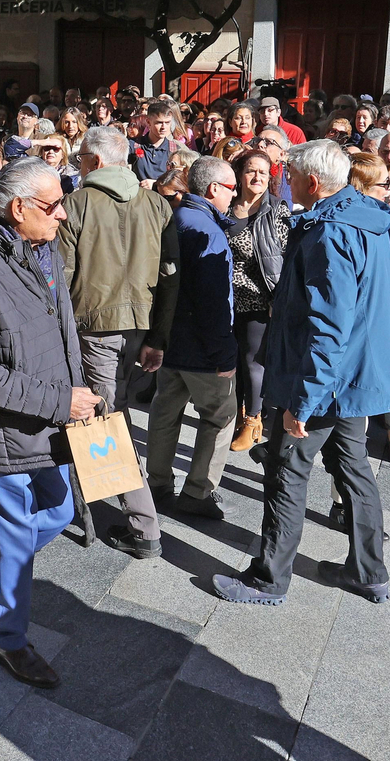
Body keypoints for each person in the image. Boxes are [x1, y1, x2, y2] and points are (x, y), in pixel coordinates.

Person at [212, 139, 390, 605]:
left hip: (325, 381)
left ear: (312, 182)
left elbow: (329, 327)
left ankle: (268, 579)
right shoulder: (362, 214)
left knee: (287, 470)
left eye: (289, 174)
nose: (284, 181)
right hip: (353, 375)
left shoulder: (330, 233)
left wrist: (303, 402)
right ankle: (368, 572)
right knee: (353, 468)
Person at [0, 159, 100, 690]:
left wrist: (80, 391)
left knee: (56, 511)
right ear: (19, 209)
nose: (63, 216)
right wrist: (62, 402)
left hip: (51, 422)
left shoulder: (44, 248)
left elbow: (63, 330)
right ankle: (6, 639)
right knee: (17, 539)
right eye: (53, 206)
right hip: (2, 433)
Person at [58, 126, 178, 558]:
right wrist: (158, 338)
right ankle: (128, 512)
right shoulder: (157, 204)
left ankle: (144, 527)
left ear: (94, 162)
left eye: (80, 160)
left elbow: (62, 280)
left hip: (96, 328)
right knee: (113, 417)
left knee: (106, 424)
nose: (77, 166)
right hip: (141, 327)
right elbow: (170, 281)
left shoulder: (76, 204)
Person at [143, 158, 240, 520]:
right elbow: (213, 303)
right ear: (213, 189)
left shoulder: (175, 219)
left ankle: (157, 484)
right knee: (219, 416)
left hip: (170, 344)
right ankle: (197, 492)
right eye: (231, 188)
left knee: (165, 412)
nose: (235, 195)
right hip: (201, 350)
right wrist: (224, 355)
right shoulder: (207, 230)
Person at [222, 149, 289, 454]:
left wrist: (280, 297)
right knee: (231, 363)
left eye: (264, 172)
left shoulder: (276, 210)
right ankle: (233, 416)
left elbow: (285, 259)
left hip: (260, 299)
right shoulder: (226, 208)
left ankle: (253, 421)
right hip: (225, 301)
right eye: (251, 170)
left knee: (252, 363)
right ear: (240, 174)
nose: (258, 177)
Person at [131, 101, 182, 184]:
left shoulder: (175, 149)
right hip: (139, 194)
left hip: (164, 195)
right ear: (148, 122)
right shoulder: (133, 145)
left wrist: (155, 184)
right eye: (159, 123)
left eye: (167, 122)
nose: (163, 127)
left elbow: (179, 181)